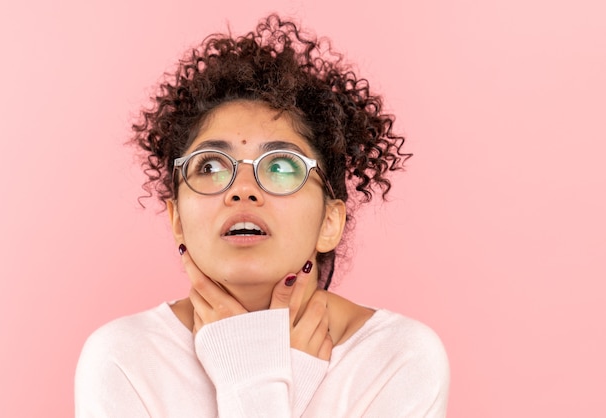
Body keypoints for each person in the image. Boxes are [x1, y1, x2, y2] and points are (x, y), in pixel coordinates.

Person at [75, 14, 450, 417]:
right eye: (211, 166)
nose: (242, 189)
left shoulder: (396, 358)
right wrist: (273, 377)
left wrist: (254, 377)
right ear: (177, 219)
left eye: (281, 166)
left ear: (330, 222)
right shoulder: (124, 360)